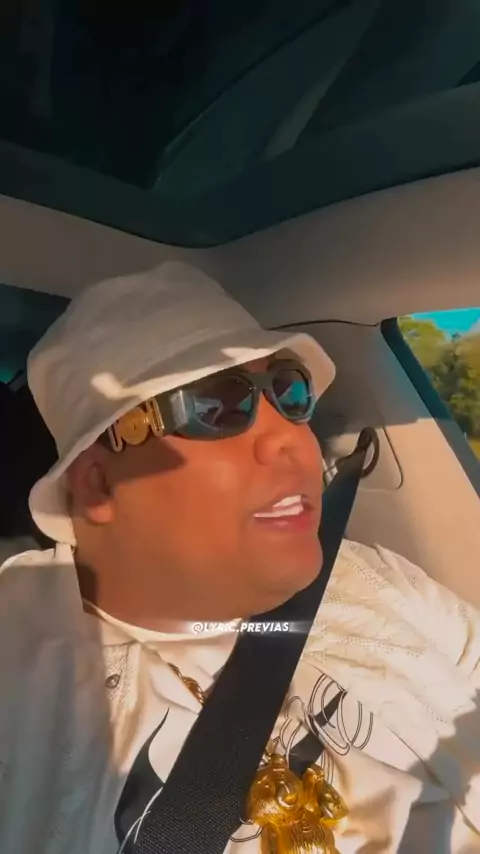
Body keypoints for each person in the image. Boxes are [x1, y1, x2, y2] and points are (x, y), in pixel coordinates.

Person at [0, 261, 479, 854]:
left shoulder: (375, 579)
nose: (294, 439)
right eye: (218, 406)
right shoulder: (21, 681)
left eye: (291, 392)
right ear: (99, 485)